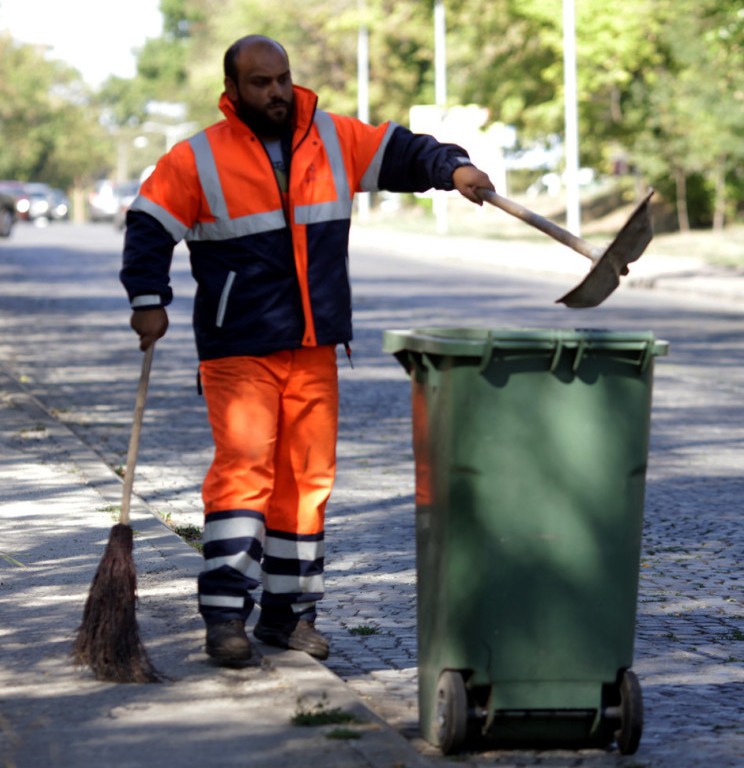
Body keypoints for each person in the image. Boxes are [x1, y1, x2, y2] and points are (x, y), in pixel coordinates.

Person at [119, 35, 494, 666]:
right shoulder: (199, 158)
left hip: (315, 346)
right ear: (232, 89)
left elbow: (402, 150)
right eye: (260, 82)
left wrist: (452, 169)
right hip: (238, 347)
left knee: (306, 482)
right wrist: (148, 299)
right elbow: (149, 223)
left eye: (282, 79)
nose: (276, 92)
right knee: (244, 473)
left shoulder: (333, 139)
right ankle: (225, 617)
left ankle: (288, 617)